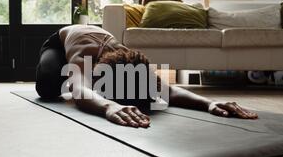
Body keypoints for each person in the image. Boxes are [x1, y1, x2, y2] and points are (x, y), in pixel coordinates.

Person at [36, 25, 258, 128]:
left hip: (101, 58)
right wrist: (108, 106)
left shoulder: (131, 61)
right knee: (47, 87)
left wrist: (210, 104)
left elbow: (168, 90)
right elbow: (79, 89)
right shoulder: (84, 55)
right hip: (59, 41)